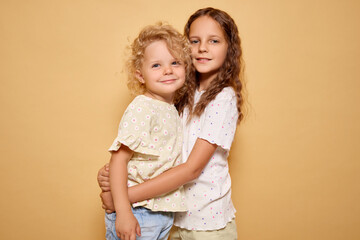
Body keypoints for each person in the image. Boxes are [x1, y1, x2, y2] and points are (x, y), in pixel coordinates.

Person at [98, 7, 246, 239]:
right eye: (194, 41)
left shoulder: (222, 98)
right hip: (173, 215)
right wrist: (114, 177)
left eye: (214, 41)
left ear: (230, 49)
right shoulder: (180, 97)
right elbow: (157, 153)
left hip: (206, 221)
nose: (203, 48)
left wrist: (123, 196)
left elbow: (192, 168)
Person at [104, 23, 193, 240]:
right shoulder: (143, 106)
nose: (168, 70)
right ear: (140, 75)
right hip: (138, 211)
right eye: (156, 65)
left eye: (175, 62)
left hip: (160, 212)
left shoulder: (170, 108)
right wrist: (123, 212)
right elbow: (118, 160)